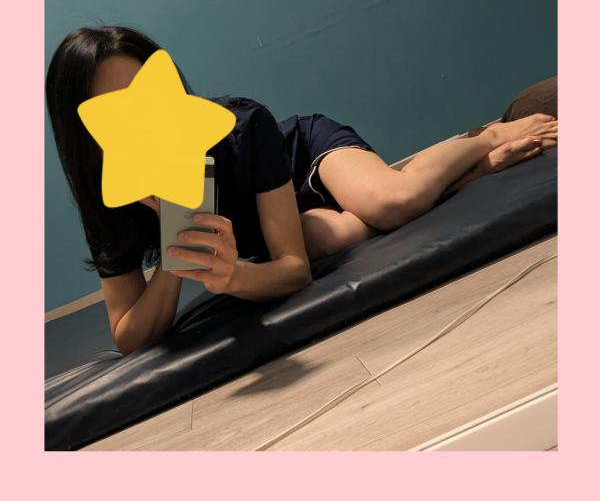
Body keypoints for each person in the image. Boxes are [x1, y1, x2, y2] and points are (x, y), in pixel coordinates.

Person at [45, 26, 558, 355]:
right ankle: (461, 175)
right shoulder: (108, 195)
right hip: (273, 228)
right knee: (338, 236)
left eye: (144, 99)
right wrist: (177, 244)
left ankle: (484, 138)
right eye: (114, 115)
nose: (141, 123)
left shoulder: (240, 126)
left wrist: (233, 275)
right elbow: (128, 335)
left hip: (302, 158)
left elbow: (293, 273)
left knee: (392, 202)